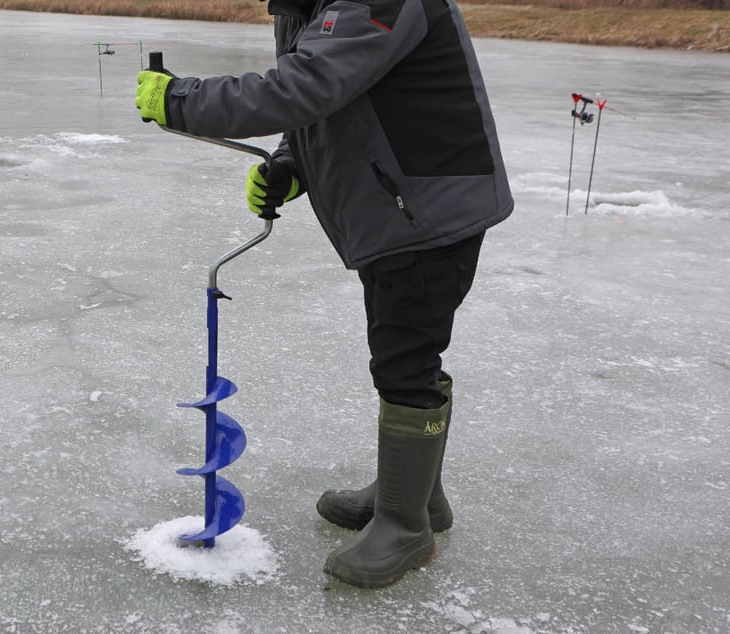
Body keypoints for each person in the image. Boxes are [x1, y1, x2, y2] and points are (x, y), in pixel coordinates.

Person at [135, 0, 513, 588]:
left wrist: (181, 99)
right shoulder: (307, 5)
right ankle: (417, 499)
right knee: (403, 352)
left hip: (431, 204)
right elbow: (329, 101)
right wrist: (290, 165)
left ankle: (405, 525)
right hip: (396, 204)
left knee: (404, 358)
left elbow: (305, 86)